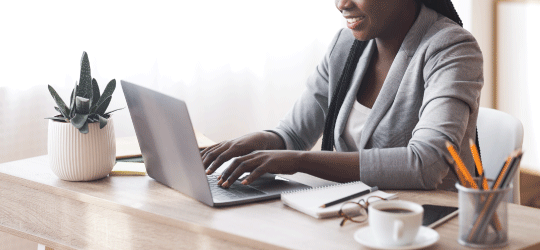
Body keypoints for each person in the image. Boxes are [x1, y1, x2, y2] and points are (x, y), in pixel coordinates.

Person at [201, 0, 483, 190]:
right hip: (356, 216)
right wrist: (256, 143)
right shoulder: (345, 45)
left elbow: (426, 163)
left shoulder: (452, 48)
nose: (341, 4)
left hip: (424, 226)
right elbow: (294, 134)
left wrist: (298, 160)